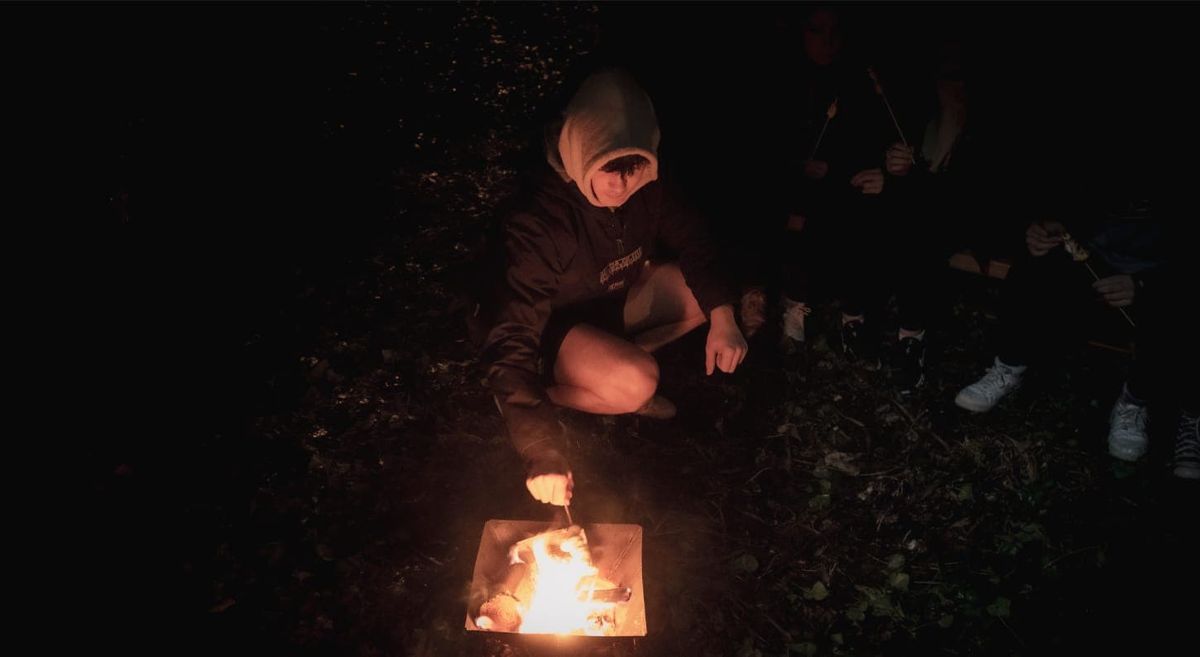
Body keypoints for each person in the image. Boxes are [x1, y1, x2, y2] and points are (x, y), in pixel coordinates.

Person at [476, 68, 748, 507]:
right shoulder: (538, 219)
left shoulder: (649, 187)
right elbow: (512, 334)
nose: (620, 187)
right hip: (551, 328)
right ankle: (547, 394)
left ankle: (610, 366)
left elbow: (697, 242)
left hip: (611, 299)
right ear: (583, 151)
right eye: (609, 169)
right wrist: (541, 447)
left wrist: (724, 317)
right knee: (638, 382)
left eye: (633, 168)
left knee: (704, 298)